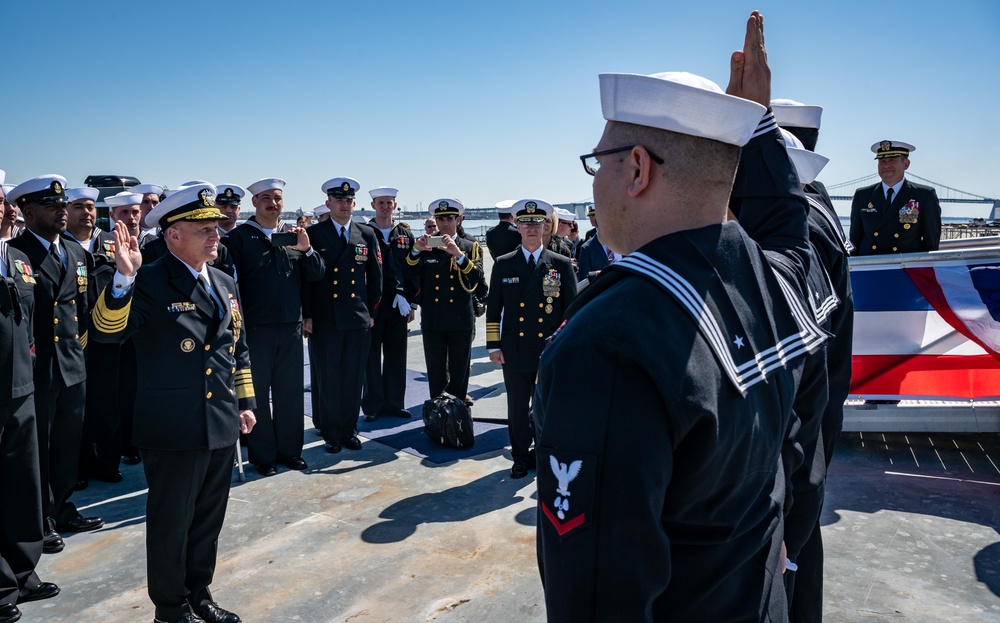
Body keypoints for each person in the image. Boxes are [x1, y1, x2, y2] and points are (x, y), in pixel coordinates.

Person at [534, 11, 823, 621]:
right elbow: (787, 227)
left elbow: (597, 597)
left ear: (637, 169)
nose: (594, 183)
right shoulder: (772, 280)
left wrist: (752, 122)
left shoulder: (609, 346)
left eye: (599, 161)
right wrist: (754, 124)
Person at [91, 183, 256, 623]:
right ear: (173, 235)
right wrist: (123, 278)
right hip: (172, 425)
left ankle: (199, 593)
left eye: (216, 227)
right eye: (202, 228)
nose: (215, 234)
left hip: (220, 421)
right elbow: (108, 333)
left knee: (207, 521)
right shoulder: (147, 280)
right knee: (171, 524)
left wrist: (245, 401)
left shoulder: (223, 281)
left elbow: (237, 347)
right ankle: (170, 607)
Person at [773, 99, 855, 623]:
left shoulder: (800, 229)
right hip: (817, 417)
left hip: (794, 431)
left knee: (789, 553)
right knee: (802, 549)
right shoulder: (819, 209)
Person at [6, 175, 104, 556]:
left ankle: (61, 508)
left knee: (66, 446)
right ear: (27, 212)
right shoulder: (16, 254)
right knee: (39, 451)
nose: (62, 212)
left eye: (63, 206)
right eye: (52, 206)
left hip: (71, 366)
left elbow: (79, 310)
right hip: (35, 369)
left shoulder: (76, 254)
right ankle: (39, 520)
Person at [222, 178, 323, 476]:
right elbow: (231, 286)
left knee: (290, 393)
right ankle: (262, 456)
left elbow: (315, 277)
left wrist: (306, 250)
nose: (272, 203)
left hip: (290, 327)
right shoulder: (239, 238)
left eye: (277, 198)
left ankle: (291, 451)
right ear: (254, 202)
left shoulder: (293, 236)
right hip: (255, 329)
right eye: (265, 197)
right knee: (257, 395)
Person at [486, 199, 576, 479]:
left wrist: (566, 347)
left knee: (549, 407)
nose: (532, 228)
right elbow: (493, 309)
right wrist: (493, 345)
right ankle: (520, 456)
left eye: (537, 223)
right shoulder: (504, 264)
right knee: (516, 407)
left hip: (549, 349)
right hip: (515, 349)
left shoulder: (560, 265)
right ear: (516, 226)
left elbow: (571, 312)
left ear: (545, 226)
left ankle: (547, 453)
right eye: (526, 223)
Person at [0, 236, 62, 622]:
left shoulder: (16, 257)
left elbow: (31, 321)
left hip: (20, 387)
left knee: (22, 484)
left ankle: (22, 573)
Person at [303, 178, 382, 454]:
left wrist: (371, 312)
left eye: (348, 201)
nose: (344, 204)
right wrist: (308, 315)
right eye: (338, 200)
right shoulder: (314, 233)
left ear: (354, 204)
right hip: (325, 319)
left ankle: (350, 430)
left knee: (353, 377)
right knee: (329, 379)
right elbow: (307, 281)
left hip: (357, 318)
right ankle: (332, 432)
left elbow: (375, 277)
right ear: (329, 203)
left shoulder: (366, 234)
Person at [64, 188, 122, 488]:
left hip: (108, 337)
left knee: (106, 405)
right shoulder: (61, 246)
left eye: (89, 207)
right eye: (78, 207)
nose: (86, 212)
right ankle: (78, 468)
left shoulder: (111, 243)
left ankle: (107, 463)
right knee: (75, 409)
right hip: (72, 340)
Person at [405, 199, 483, 405]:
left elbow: (477, 278)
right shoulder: (428, 244)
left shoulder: (469, 245)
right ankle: (438, 414)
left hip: (460, 319)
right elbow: (409, 273)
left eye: (450, 218)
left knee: (459, 371)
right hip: (434, 318)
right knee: (436, 371)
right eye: (441, 219)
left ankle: (456, 414)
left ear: (458, 220)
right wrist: (415, 250)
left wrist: (458, 256)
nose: (445, 223)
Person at [361, 186, 416, 422]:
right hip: (372, 303)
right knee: (371, 356)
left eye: (389, 202)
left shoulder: (404, 234)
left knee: (396, 355)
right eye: (380, 203)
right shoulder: (363, 232)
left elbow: (413, 270)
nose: (385, 206)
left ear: (395, 205)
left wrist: (412, 303)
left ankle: (395, 403)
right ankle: (372, 406)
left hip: (397, 302)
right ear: (373, 206)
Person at [849, 140, 942, 255]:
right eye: (882, 161)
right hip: (869, 267)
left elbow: (931, 243)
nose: (886, 166)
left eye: (892, 160)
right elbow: (854, 240)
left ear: (906, 164)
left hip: (905, 268)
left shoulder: (924, 195)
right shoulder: (862, 195)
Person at [133, 183, 164, 249]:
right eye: (146, 202)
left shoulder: (166, 231)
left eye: (154, 202)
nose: (151, 207)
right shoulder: (130, 232)